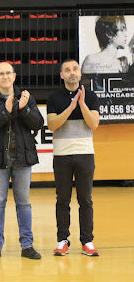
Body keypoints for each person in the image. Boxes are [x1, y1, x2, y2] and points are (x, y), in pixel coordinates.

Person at [0, 62, 43, 260]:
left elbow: (38, 123)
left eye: (8, 73)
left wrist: (23, 109)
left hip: (23, 158)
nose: (5, 76)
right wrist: (5, 112)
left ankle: (27, 245)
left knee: (24, 203)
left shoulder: (26, 97)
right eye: (1, 74)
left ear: (14, 76)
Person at [47, 59, 100, 257]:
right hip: (62, 156)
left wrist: (82, 104)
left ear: (80, 73)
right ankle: (62, 240)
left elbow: (93, 124)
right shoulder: (54, 98)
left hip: (85, 155)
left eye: (75, 69)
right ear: (61, 75)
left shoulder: (91, 96)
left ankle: (87, 241)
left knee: (85, 199)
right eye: (67, 70)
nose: (72, 73)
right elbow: (52, 125)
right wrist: (70, 107)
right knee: (62, 200)